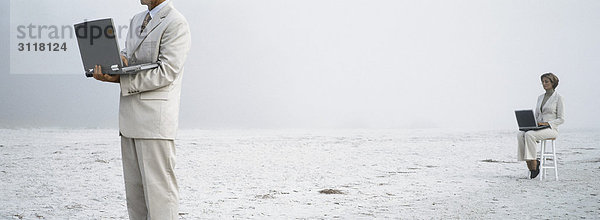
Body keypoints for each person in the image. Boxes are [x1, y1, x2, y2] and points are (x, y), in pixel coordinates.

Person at [91, 0, 191, 218]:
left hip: (154, 122)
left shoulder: (176, 23)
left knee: (160, 196)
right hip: (129, 121)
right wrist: (113, 64)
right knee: (135, 198)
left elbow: (167, 72)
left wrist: (122, 80)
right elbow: (129, 56)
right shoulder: (136, 20)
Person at [517, 73, 565, 179]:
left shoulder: (559, 98)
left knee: (529, 135)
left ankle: (534, 166)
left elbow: (561, 119)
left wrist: (547, 123)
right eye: (542, 82)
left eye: (546, 81)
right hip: (539, 128)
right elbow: (537, 115)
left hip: (551, 129)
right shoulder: (540, 97)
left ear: (553, 83)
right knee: (520, 134)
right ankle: (530, 163)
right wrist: (532, 124)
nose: (544, 84)